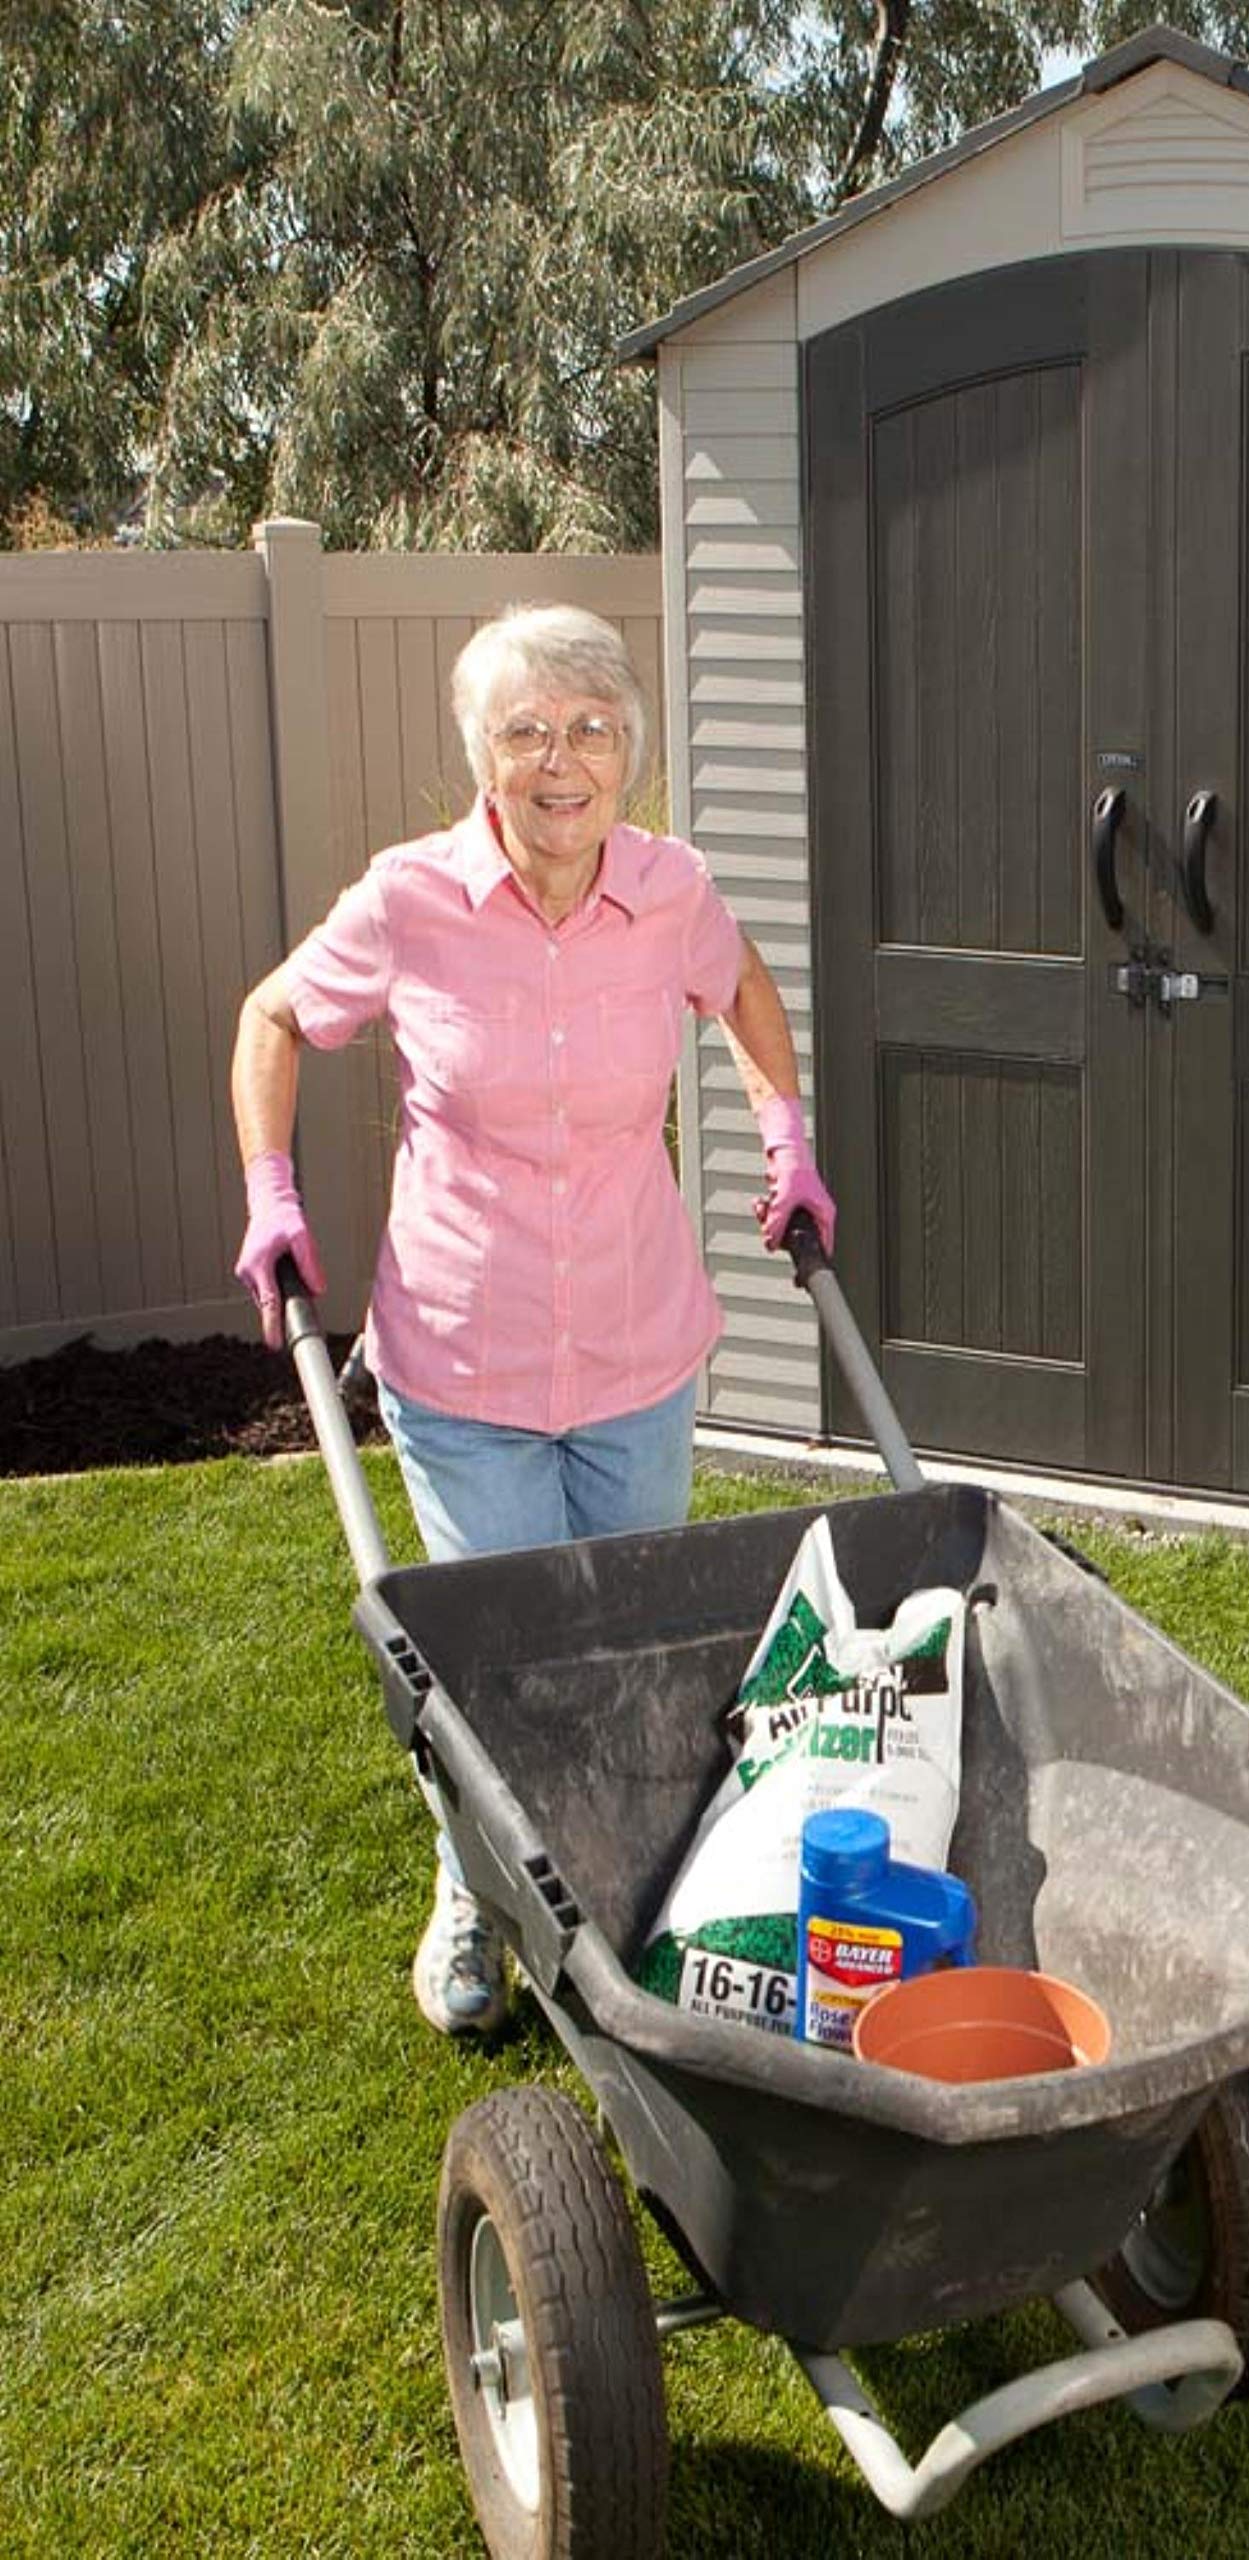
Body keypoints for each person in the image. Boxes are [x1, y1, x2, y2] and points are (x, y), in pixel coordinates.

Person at [230, 602, 834, 2037]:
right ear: (480, 755)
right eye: (525, 732)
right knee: (496, 1668)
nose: (561, 760)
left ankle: (624, 1889)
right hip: (465, 1354)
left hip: (635, 1350)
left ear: (630, 745)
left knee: (629, 1655)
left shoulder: (670, 888)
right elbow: (272, 1017)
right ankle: (469, 1894)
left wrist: (784, 1128)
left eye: (591, 729)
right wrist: (270, 1189)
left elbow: (740, 984)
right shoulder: (406, 902)